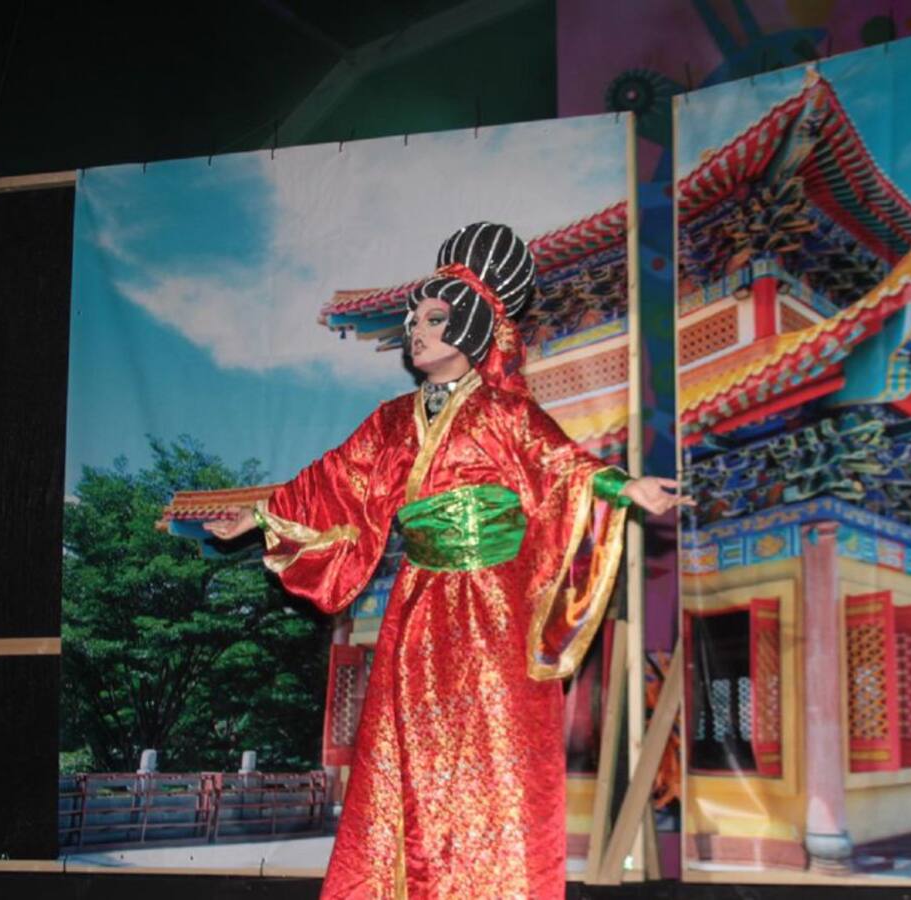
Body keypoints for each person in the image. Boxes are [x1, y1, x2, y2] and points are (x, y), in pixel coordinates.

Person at [207, 223, 689, 898]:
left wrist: (625, 487)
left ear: (472, 324)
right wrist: (260, 516)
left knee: (493, 759)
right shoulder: (391, 421)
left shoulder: (505, 413)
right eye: (413, 321)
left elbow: (561, 464)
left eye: (433, 318)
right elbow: (334, 480)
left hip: (494, 608)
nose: (417, 331)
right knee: (408, 756)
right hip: (416, 607)